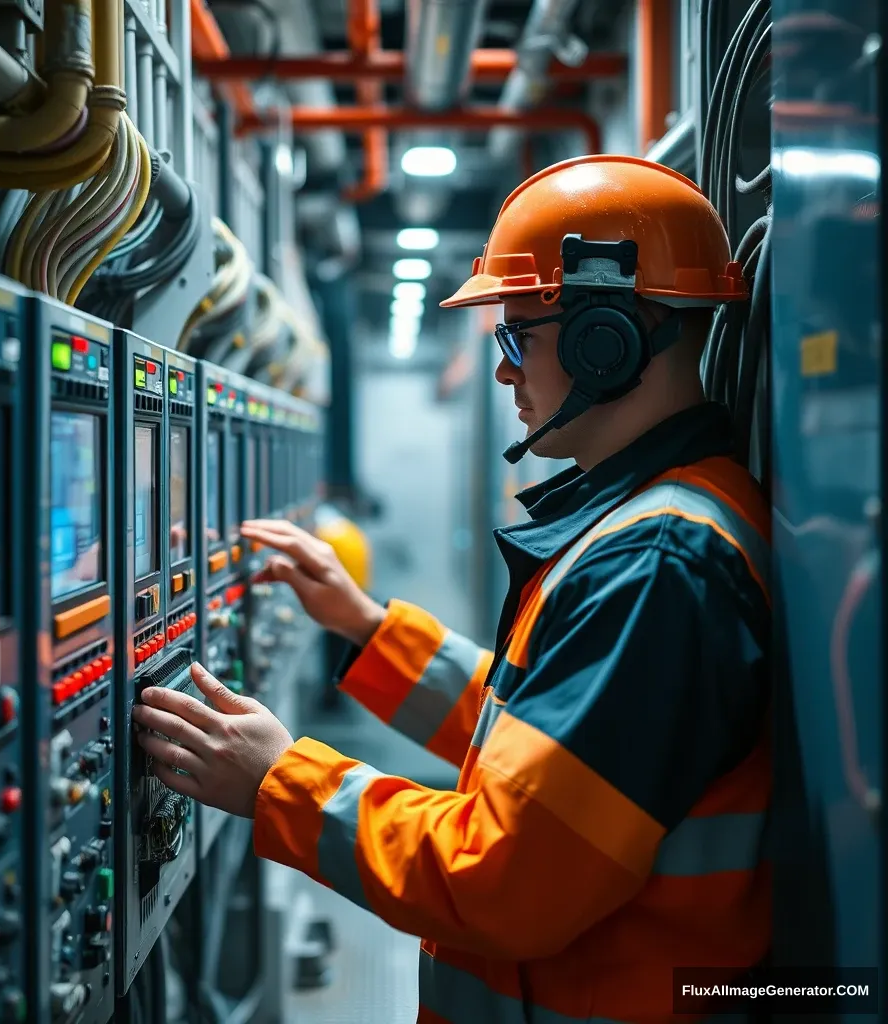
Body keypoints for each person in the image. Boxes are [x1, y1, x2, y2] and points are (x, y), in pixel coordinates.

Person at [132, 155, 772, 1021]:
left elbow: (510, 878)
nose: (505, 373)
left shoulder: (657, 558)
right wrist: (361, 626)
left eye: (518, 338)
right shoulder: (664, 521)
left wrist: (282, 781)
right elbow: (551, 749)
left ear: (606, 342)